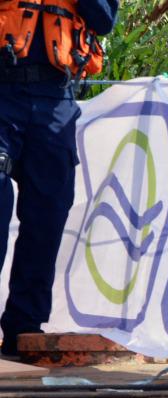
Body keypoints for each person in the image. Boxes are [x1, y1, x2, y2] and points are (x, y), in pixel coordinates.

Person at [0, 0, 117, 359]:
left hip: (56, 96)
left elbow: (104, 19)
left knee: (48, 212)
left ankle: (24, 328)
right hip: (3, 90)